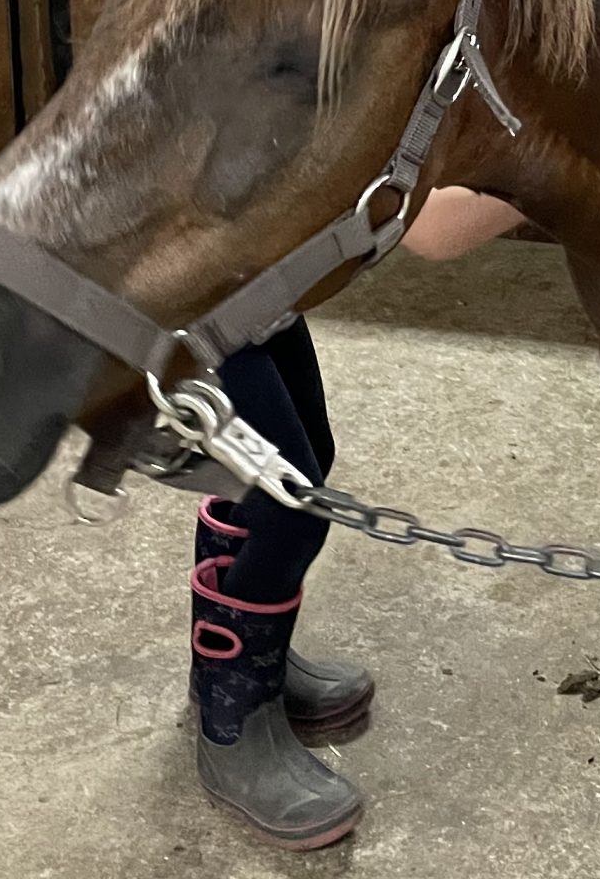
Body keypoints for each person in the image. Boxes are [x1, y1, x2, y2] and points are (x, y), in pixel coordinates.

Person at [189, 188, 522, 849]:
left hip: (253, 271)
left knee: (307, 455)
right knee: (291, 507)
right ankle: (232, 723)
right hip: (189, 292)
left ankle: (242, 665)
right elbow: (434, 228)